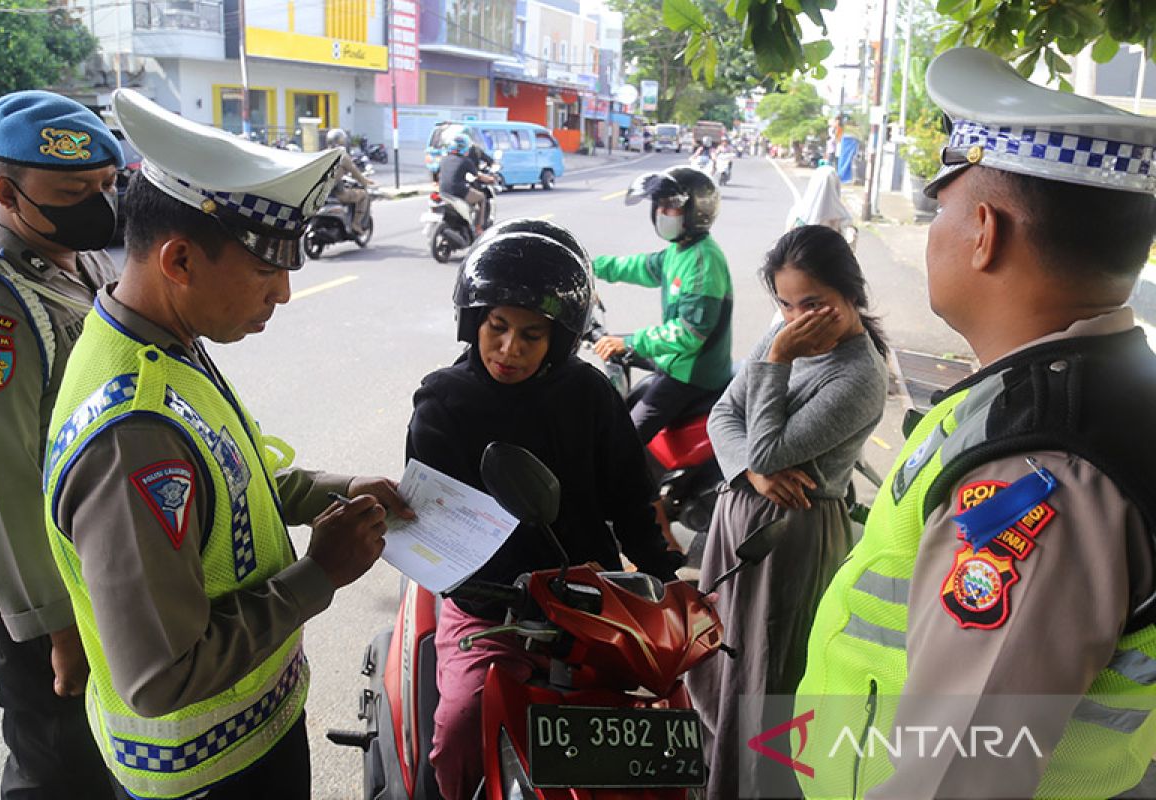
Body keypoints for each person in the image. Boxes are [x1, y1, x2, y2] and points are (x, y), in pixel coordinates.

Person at [793, 47, 1156, 799]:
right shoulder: (1078, 393)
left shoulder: (1038, 469)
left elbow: (957, 778)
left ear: (984, 231)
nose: (933, 231)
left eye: (940, 208)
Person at [41, 89, 412, 800]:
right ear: (179, 260)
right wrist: (320, 574)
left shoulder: (158, 339)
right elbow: (160, 679)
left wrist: (341, 490)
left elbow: (237, 478)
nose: (280, 295)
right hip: (209, 775)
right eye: (267, 272)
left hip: (249, 740)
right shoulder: (133, 439)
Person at [407, 219, 685, 800]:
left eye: (531, 335)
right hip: (490, 602)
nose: (509, 349)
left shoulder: (589, 395)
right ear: (474, 322)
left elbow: (631, 498)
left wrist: (666, 578)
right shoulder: (444, 401)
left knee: (664, 717)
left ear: (557, 340)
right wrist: (481, 588)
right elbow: (434, 522)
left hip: (591, 595)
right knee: (460, 722)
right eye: (497, 327)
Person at [0, 90, 123, 800]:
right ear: (6, 191)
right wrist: (57, 625)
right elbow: (4, 483)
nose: (98, 204)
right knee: (55, 770)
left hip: (91, 568)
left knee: (106, 756)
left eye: (106, 187)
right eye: (72, 191)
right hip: (37, 583)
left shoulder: (75, 260)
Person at [685, 225, 888, 800]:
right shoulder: (786, 337)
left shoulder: (858, 377)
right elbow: (724, 414)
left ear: (851, 294)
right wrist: (748, 471)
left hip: (787, 540)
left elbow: (770, 447)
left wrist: (777, 359)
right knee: (721, 657)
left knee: (764, 672)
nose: (798, 318)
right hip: (738, 516)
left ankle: (750, 786)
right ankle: (711, 769)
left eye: (814, 303)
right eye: (786, 304)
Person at [592, 166, 734, 444]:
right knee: (612, 348)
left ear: (697, 212)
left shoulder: (703, 261)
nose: (660, 213)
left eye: (670, 207)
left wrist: (631, 341)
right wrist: (589, 266)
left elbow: (689, 333)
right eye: (658, 206)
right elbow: (639, 267)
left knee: (624, 440)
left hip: (693, 371)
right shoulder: (680, 250)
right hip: (679, 359)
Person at [437, 133, 494, 233]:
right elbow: (478, 176)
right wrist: (490, 180)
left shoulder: (444, 159)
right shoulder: (465, 161)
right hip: (458, 191)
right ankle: (478, 228)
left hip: (442, 191)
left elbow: (437, 174)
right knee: (482, 197)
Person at [323, 128, 375, 232]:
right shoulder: (342, 156)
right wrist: (366, 182)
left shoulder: (323, 153)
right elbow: (356, 174)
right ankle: (356, 224)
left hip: (322, 193)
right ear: (342, 141)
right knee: (363, 195)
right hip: (337, 193)